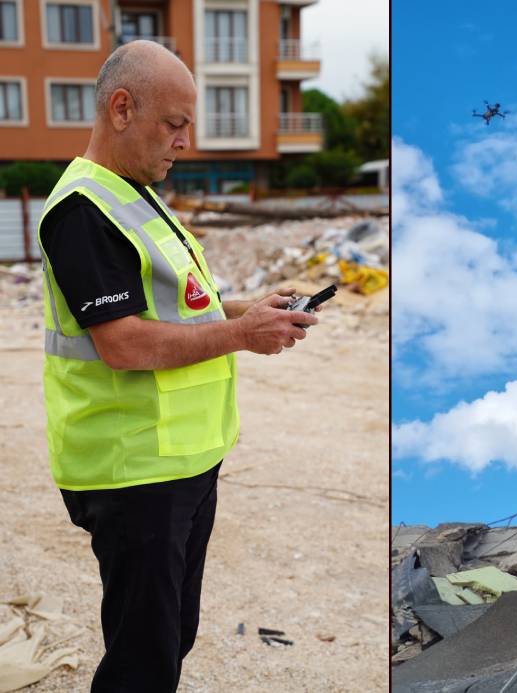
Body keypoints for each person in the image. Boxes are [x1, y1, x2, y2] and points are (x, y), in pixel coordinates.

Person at [39, 41, 318, 692]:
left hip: (184, 462)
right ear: (121, 108)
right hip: (132, 469)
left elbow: (184, 302)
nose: (185, 141)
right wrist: (243, 335)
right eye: (174, 123)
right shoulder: (83, 208)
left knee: (169, 637)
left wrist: (253, 308)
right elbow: (124, 342)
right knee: (142, 662)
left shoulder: (134, 192)